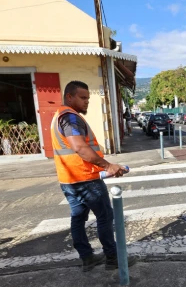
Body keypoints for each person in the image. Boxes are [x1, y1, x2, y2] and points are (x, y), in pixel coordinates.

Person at [51, 80, 136, 272]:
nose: (86, 102)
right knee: (105, 217)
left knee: (78, 218)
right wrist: (109, 166)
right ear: (69, 96)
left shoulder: (59, 116)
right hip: (85, 180)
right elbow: (80, 148)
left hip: (68, 180)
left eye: (88, 98)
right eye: (82, 98)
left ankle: (87, 258)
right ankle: (113, 258)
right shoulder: (70, 118)